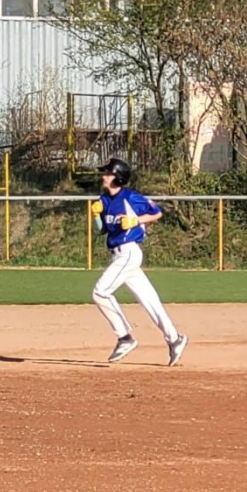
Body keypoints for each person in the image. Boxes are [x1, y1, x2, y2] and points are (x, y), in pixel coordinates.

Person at [88, 157, 188, 366]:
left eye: (108, 173)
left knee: (100, 292)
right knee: (150, 300)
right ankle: (175, 339)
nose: (104, 176)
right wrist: (96, 216)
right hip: (118, 254)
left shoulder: (131, 197)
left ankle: (125, 337)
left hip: (129, 252)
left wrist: (135, 220)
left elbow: (156, 213)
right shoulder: (104, 199)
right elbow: (103, 230)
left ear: (117, 177)